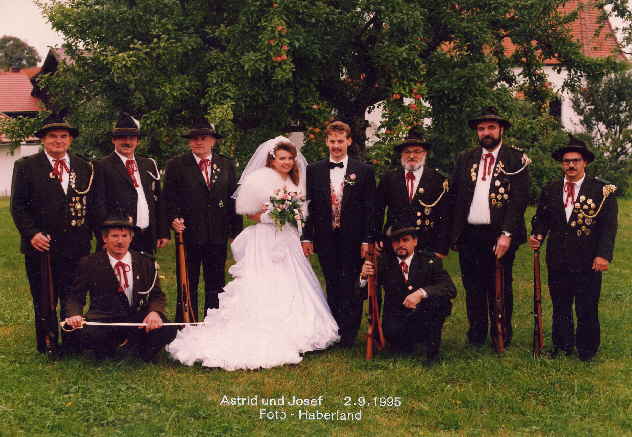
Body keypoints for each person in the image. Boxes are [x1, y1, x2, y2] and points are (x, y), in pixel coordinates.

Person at [167, 137, 339, 370]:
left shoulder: (296, 180)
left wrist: (293, 216)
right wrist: (274, 215)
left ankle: (296, 330)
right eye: (282, 158)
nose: (287, 162)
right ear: (272, 160)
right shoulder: (258, 179)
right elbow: (249, 212)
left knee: (292, 282)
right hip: (266, 239)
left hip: (288, 241)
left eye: (290, 158)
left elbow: (303, 211)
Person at [10, 113, 96, 355]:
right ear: (43, 140)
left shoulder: (84, 166)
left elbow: (91, 206)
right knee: (44, 295)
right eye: (52, 137)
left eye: (63, 136)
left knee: (72, 293)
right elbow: (18, 206)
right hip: (41, 245)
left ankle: (72, 341)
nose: (58, 141)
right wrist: (32, 234)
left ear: (70, 140)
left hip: (76, 245)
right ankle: (47, 341)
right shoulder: (26, 166)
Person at [529, 136, 617, 361]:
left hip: (588, 260)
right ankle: (562, 345)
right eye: (566, 161)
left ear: (585, 162)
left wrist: (603, 255)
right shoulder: (551, 189)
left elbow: (609, 227)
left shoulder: (601, 190)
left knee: (587, 306)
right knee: (560, 305)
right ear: (561, 164)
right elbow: (541, 218)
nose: (570, 165)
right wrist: (538, 234)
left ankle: (587, 350)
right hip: (558, 258)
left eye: (576, 160)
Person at [449, 107, 530, 348]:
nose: (486, 132)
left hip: (499, 235)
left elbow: (520, 200)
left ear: (501, 129)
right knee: (472, 287)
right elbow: (455, 196)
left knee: (500, 286)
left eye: (491, 128)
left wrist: (506, 234)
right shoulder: (466, 158)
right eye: (482, 128)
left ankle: (501, 333)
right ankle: (476, 334)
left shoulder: (516, 159)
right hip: (470, 234)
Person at [301, 121, 376, 347]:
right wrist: (307, 236)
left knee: (352, 281)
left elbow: (370, 208)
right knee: (332, 281)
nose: (336, 146)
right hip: (325, 236)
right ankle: (333, 328)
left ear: (349, 141)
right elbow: (307, 207)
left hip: (353, 237)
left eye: (340, 141)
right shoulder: (313, 170)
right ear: (326, 142)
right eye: (332, 141)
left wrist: (367, 238)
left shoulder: (364, 170)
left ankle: (350, 331)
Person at [63, 216, 177, 362]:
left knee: (166, 329)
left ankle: (138, 349)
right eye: (114, 236)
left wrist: (154, 312)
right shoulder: (89, 263)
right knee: (85, 334)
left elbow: (157, 295)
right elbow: (75, 297)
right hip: (104, 319)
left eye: (124, 236)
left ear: (131, 238)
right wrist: (75, 314)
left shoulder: (145, 262)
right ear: (105, 238)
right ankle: (114, 347)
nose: (120, 241)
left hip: (136, 319)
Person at [162, 118, 242, 319]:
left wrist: (236, 231)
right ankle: (186, 323)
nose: (199, 142)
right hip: (189, 234)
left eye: (203, 138)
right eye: (194, 139)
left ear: (213, 141)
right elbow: (168, 198)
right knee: (188, 281)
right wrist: (172, 218)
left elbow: (234, 198)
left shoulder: (226, 164)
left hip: (217, 233)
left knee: (215, 282)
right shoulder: (177, 165)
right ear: (189, 142)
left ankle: (213, 323)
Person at [360, 219, 456, 364]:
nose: (401, 245)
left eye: (405, 240)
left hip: (423, 317)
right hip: (396, 323)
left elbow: (449, 288)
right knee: (401, 346)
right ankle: (407, 343)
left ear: (415, 242)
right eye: (396, 241)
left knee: (439, 301)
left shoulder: (429, 260)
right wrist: (364, 277)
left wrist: (421, 293)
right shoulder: (383, 263)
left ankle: (432, 350)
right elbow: (362, 295)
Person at [93, 113, 168, 254]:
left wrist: (162, 232)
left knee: (146, 273)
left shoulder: (148, 164)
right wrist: (104, 237)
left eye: (132, 138)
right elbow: (98, 206)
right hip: (118, 238)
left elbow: (158, 200)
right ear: (114, 140)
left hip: (147, 236)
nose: (127, 142)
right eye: (122, 137)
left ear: (138, 141)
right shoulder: (101, 166)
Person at [374, 126, 450, 257]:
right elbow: (377, 211)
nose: (411, 156)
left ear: (425, 154)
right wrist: (376, 237)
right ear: (401, 154)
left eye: (417, 151)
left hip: (425, 245)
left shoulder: (438, 180)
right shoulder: (389, 178)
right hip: (394, 242)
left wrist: (441, 248)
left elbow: (444, 217)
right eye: (407, 152)